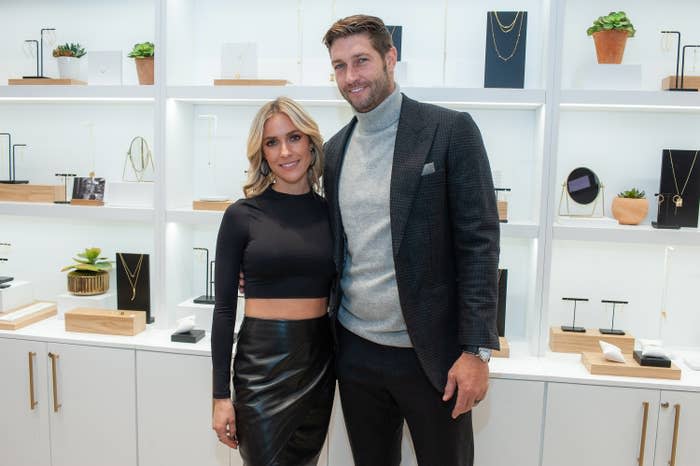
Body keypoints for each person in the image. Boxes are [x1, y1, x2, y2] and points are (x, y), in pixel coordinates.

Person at [321, 15, 501, 466]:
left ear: (390, 58)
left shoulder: (450, 129)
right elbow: (332, 245)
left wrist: (477, 351)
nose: (351, 76)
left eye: (361, 60)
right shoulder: (334, 150)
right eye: (340, 66)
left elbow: (480, 242)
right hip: (356, 351)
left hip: (434, 358)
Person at [211, 97, 336, 466]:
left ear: (311, 145)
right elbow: (223, 310)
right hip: (260, 369)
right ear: (262, 154)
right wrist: (220, 396)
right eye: (272, 142)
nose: (285, 151)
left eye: (294, 138)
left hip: (318, 364)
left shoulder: (333, 214)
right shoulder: (241, 216)